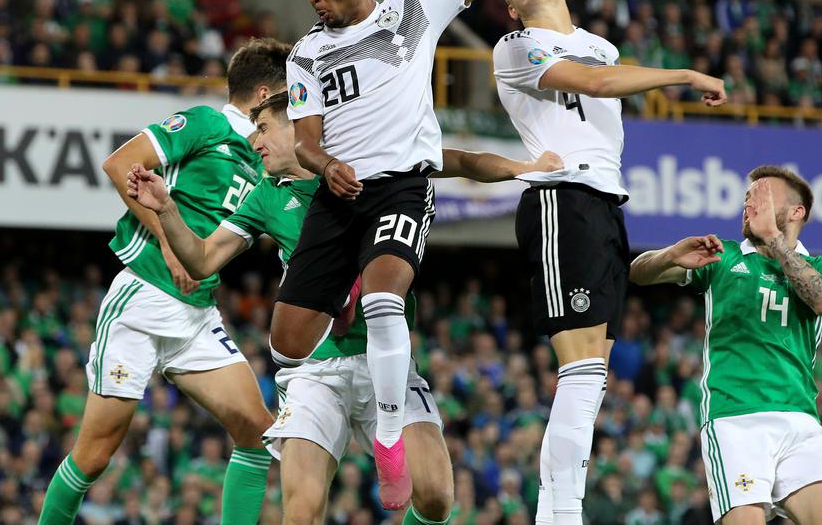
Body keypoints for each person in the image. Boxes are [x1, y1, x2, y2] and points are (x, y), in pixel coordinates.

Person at [127, 91, 564, 525]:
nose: (254, 143)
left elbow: (457, 160)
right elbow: (202, 259)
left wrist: (522, 169)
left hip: (384, 365)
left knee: (434, 499)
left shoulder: (364, 160)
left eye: (263, 129)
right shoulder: (266, 195)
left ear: (296, 128)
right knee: (300, 512)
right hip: (313, 373)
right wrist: (166, 209)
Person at [272, 0, 506, 509]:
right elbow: (307, 141)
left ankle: (388, 435)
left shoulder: (412, 11)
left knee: (383, 300)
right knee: (287, 343)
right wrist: (324, 165)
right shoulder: (305, 54)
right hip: (338, 194)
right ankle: (354, 346)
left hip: (400, 184)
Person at [489, 0, 728, 525]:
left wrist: (667, 258)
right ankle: (560, 513)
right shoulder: (515, 46)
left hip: (603, 201)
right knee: (582, 368)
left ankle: (560, 509)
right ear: (513, 10)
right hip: (559, 197)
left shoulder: (602, 47)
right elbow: (592, 85)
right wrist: (685, 74)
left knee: (592, 376)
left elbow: (602, 75)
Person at [38, 39, 290, 525]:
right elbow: (118, 165)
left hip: (196, 314)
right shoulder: (204, 124)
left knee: (258, 431)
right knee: (94, 455)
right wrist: (172, 246)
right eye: (286, 92)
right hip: (143, 298)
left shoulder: (267, 154)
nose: (293, 102)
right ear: (264, 93)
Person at [629, 166, 822, 524]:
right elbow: (638, 272)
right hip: (735, 420)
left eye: (762, 197)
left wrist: (774, 240)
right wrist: (670, 255)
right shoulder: (723, 257)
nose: (750, 204)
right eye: (748, 197)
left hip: (801, 422)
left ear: (796, 212)